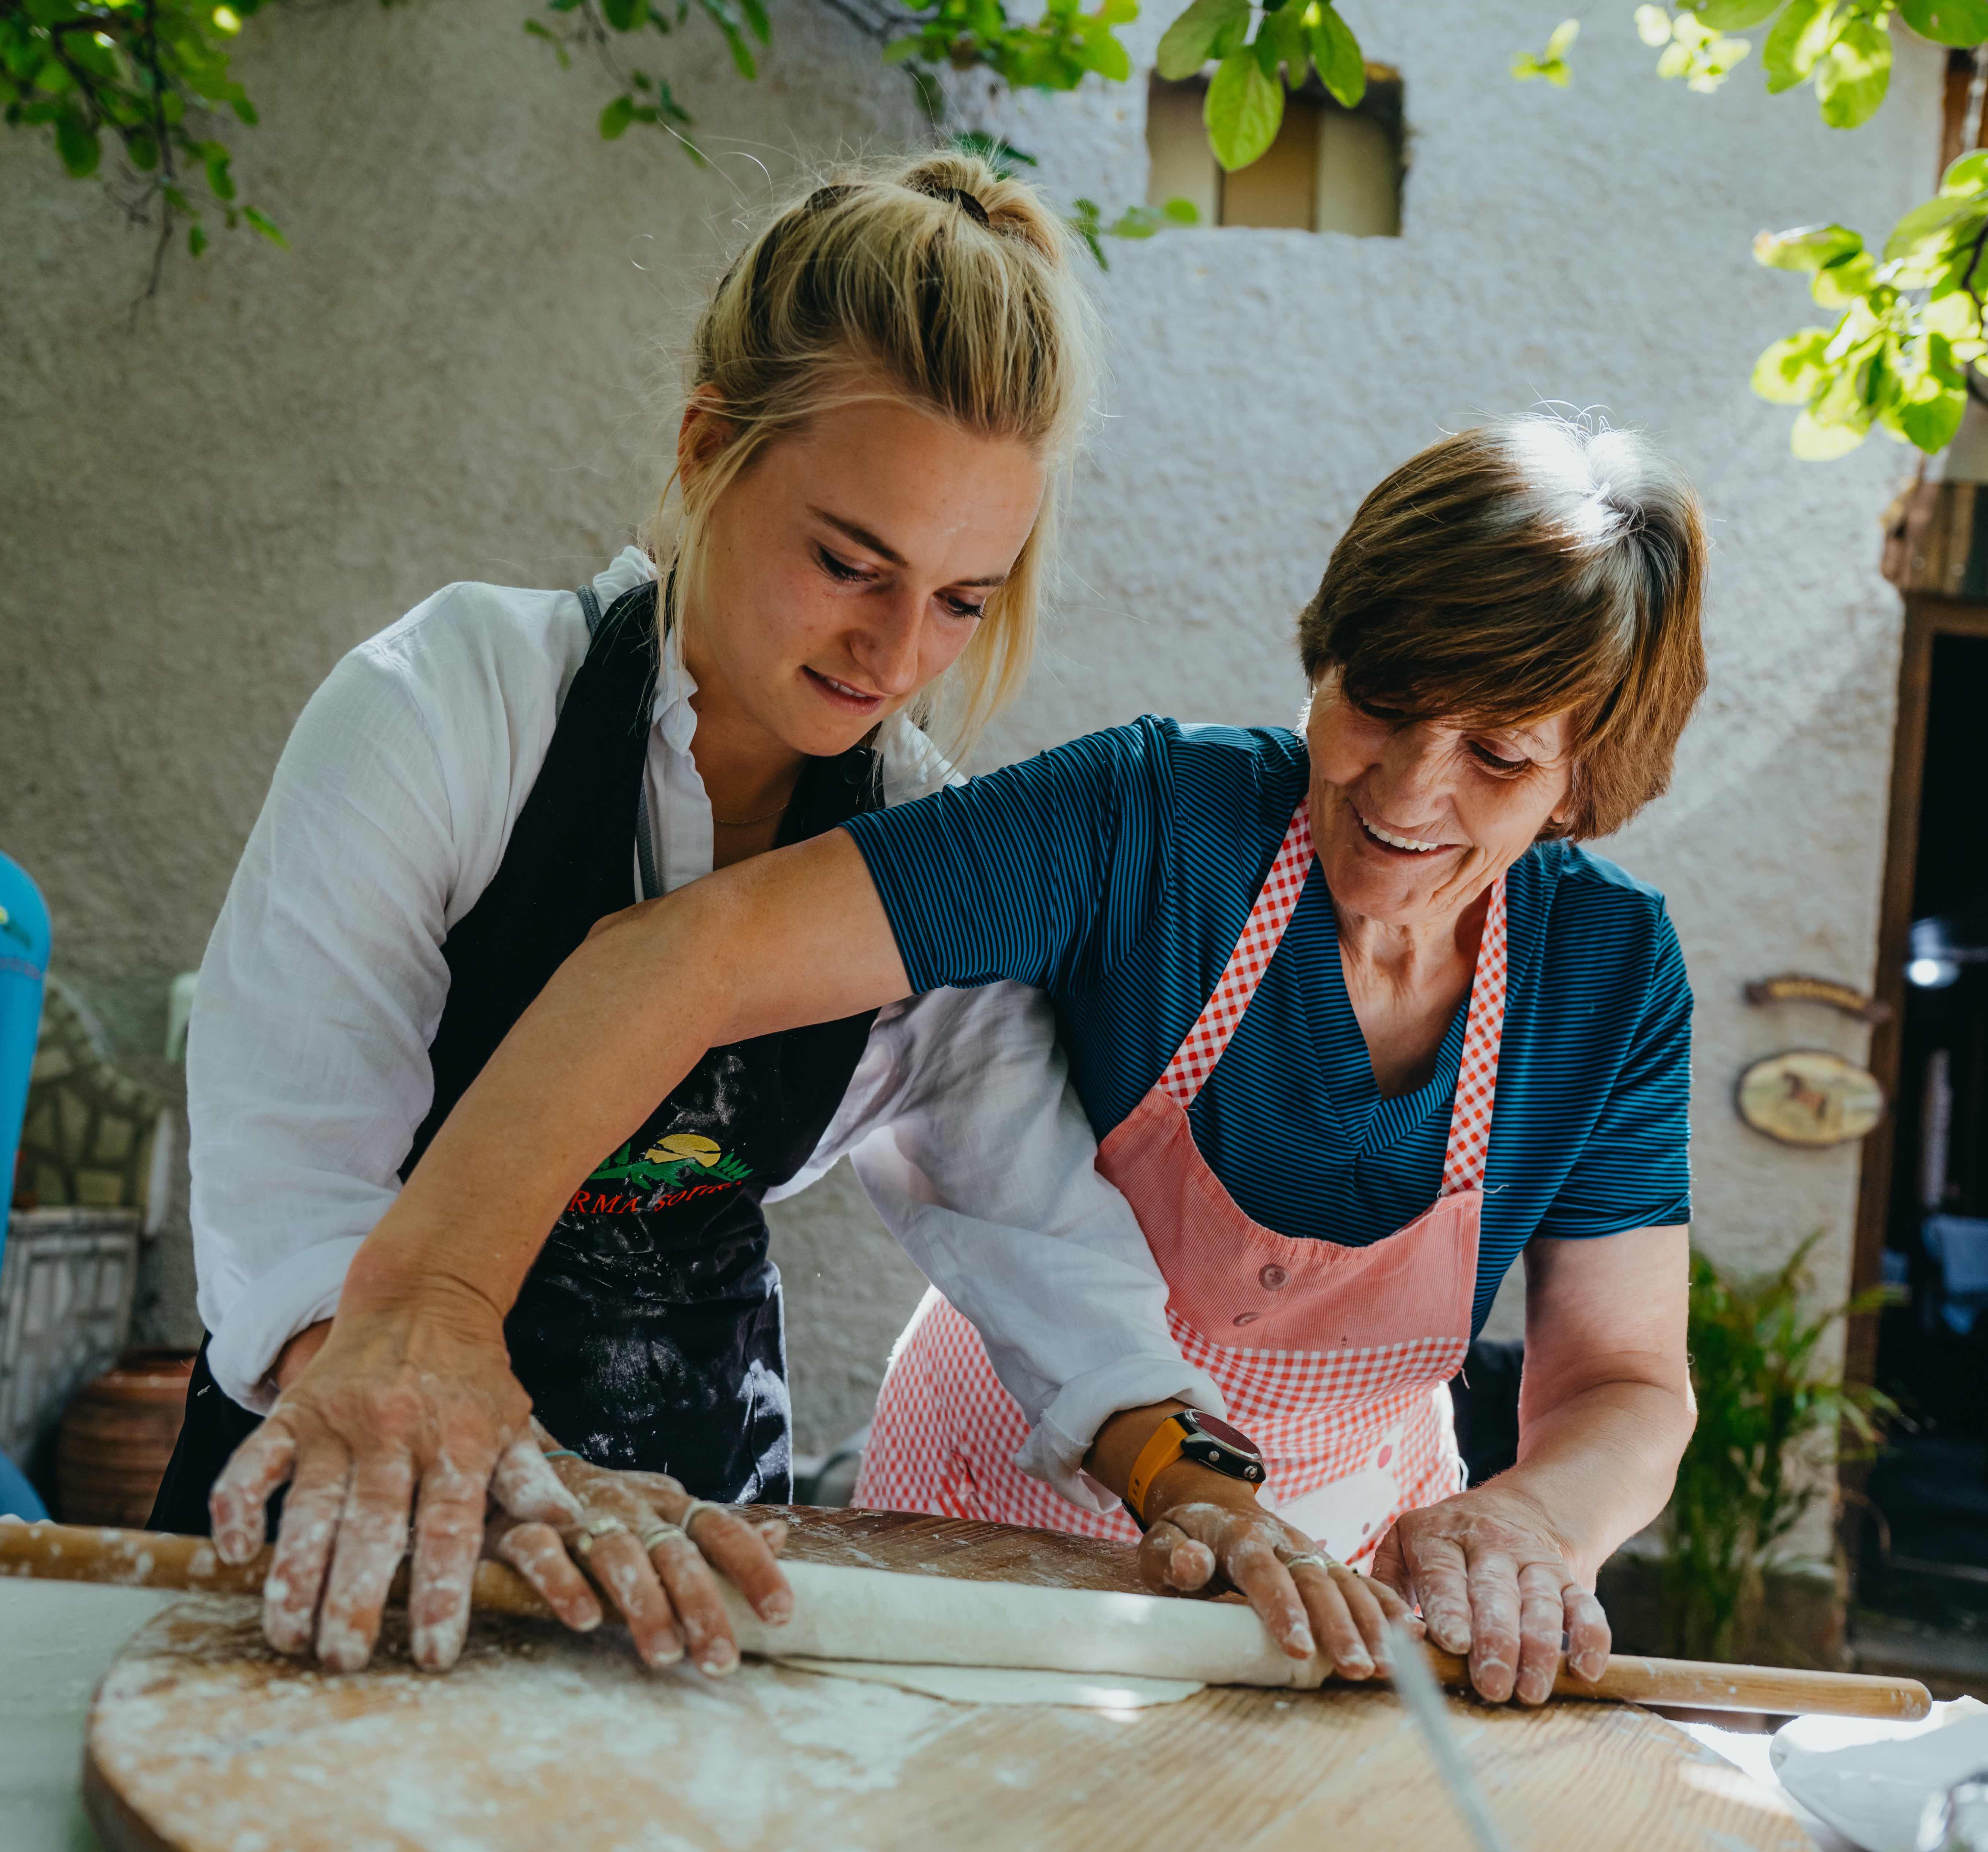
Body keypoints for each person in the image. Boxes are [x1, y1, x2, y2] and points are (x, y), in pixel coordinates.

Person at [213, 415, 1707, 1708]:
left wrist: (1517, 1525)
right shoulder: (1140, 825)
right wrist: (420, 1323)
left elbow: (1626, 1379)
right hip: (994, 1511)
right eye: (1376, 704)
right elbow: (671, 959)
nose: (1406, 789)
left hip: (1325, 1546)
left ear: (1590, 773)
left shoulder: (1611, 975)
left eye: (1501, 758)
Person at [162, 149, 1221, 1675]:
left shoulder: (922, 851)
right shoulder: (452, 708)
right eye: (850, 563)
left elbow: (1032, 1223)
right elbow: (287, 1172)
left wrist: (1193, 1475)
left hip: (690, 1558)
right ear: (710, 445)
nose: (896, 649)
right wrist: (442, 1414)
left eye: (964, 599)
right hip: (366, 1509)